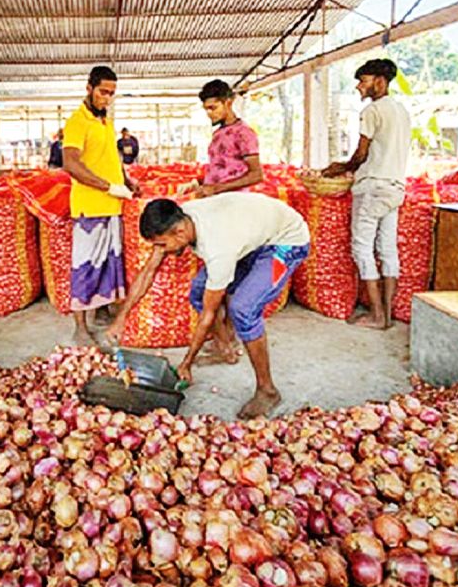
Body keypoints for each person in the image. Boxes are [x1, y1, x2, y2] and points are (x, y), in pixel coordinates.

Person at [105, 193, 310, 419]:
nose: (162, 250)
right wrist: (121, 318)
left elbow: (208, 314)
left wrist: (187, 363)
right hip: (250, 234)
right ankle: (226, 349)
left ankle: (267, 390)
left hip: (285, 240)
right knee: (199, 293)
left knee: (243, 309)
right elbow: (148, 271)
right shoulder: (178, 219)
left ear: (180, 232)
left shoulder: (218, 249)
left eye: (162, 245)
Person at [318, 58, 410, 330]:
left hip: (372, 187)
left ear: (379, 81)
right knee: (388, 249)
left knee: (362, 248)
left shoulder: (372, 110)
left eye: (364, 80)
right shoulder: (401, 111)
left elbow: (361, 154)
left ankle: (377, 315)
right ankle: (388, 316)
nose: (360, 86)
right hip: (394, 187)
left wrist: (340, 168)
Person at [62, 66, 136, 346]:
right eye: (103, 92)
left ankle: (102, 309)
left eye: (112, 94)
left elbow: (110, 158)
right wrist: (108, 186)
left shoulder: (105, 121)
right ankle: (80, 327)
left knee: (109, 263)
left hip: (113, 205)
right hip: (90, 207)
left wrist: (126, 180)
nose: (107, 98)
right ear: (89, 88)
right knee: (85, 265)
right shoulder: (77, 121)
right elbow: (71, 163)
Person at [197, 79, 263, 198]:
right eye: (206, 109)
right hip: (216, 199)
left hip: (234, 201)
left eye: (213, 108)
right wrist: (197, 182)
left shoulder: (243, 133)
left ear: (228, 103)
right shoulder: (218, 133)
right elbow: (219, 170)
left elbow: (256, 175)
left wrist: (216, 188)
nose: (209, 113)